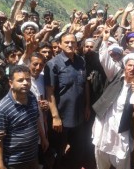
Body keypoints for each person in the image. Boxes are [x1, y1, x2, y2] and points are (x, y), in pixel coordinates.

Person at [92, 35, 134, 168]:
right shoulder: (116, 74)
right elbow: (105, 59)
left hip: (121, 131)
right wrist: (104, 39)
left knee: (122, 160)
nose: (132, 69)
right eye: (130, 65)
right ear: (125, 66)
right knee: (101, 158)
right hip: (104, 126)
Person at [44, 33, 86, 169]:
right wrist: (55, 117)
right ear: (60, 44)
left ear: (76, 44)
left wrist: (87, 107)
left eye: (72, 42)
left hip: (79, 115)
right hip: (62, 117)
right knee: (58, 151)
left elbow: (86, 85)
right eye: (66, 42)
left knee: (76, 149)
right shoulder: (53, 64)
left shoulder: (81, 61)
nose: (70, 45)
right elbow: (50, 92)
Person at [0, 65, 41, 169]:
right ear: (11, 83)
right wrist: (0, 163)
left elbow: (36, 119)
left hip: (33, 156)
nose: (25, 83)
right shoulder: (2, 108)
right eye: (20, 80)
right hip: (15, 161)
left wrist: (44, 138)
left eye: (28, 79)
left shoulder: (32, 97)